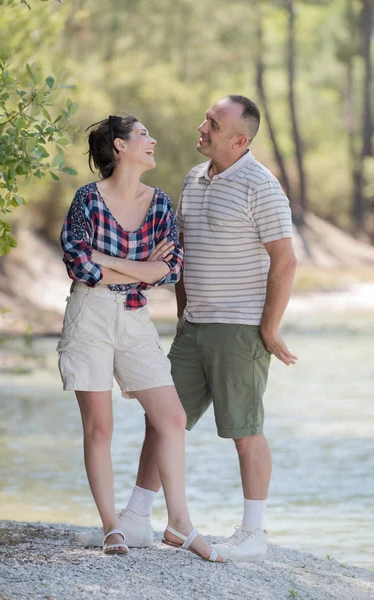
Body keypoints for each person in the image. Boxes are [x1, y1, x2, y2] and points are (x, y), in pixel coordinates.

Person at [119, 96, 297, 561]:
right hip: (193, 326)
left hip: (239, 329)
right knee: (160, 419)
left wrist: (270, 328)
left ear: (240, 140)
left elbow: (285, 260)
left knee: (245, 431)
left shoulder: (262, 186)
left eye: (213, 124)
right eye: (206, 118)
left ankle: (253, 533)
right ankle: (138, 518)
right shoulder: (194, 179)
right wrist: (182, 316)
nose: (202, 127)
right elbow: (184, 256)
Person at [57, 115, 225, 562]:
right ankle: (113, 525)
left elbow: (170, 270)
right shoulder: (87, 200)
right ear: (120, 146)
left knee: (171, 417)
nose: (153, 140)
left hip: (134, 320)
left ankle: (179, 524)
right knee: (100, 427)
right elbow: (79, 265)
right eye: (143, 135)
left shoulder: (160, 204)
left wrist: (111, 262)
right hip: (88, 316)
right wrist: (139, 267)